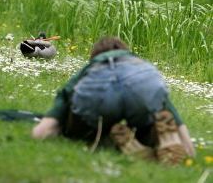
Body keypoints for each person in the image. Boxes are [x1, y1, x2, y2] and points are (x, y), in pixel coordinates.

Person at [32, 37, 195, 165]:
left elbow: (65, 96)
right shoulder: (137, 63)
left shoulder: (94, 66)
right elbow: (165, 102)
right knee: (148, 117)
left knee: (78, 129)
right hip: (143, 82)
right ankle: (156, 139)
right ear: (125, 51)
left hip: (99, 91)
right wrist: (188, 146)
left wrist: (46, 129)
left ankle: (105, 138)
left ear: (95, 56)